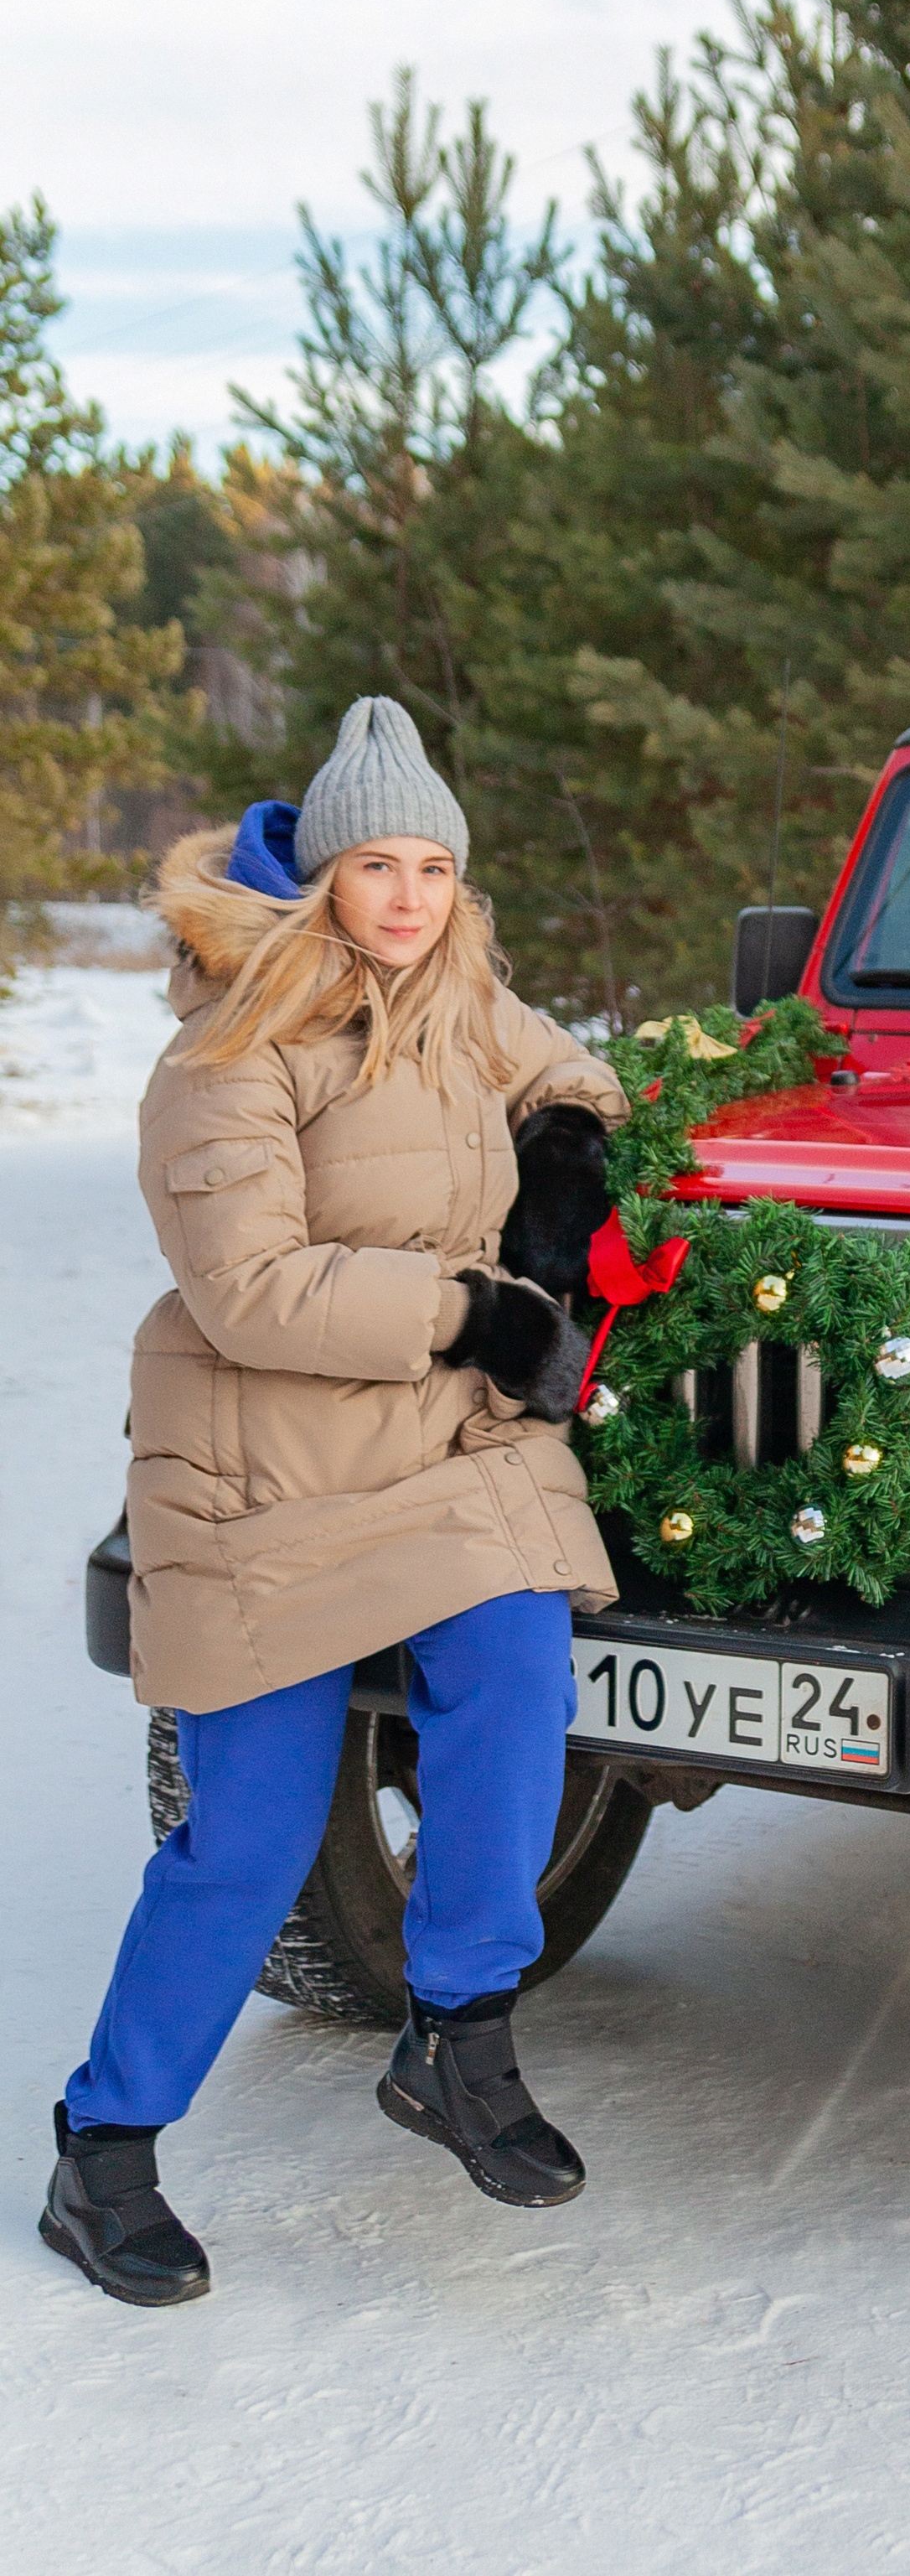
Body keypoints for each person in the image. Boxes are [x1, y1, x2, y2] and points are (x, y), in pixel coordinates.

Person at [42, 699, 627, 2308]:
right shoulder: (225, 1048)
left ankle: (461, 2035)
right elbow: (251, 1290)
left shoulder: (457, 994)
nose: (411, 897)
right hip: (261, 1475)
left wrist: (566, 1151)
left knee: (514, 1676)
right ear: (316, 873)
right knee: (244, 1845)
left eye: (435, 866)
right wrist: (473, 1313)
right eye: (380, 863)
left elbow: (555, 1060)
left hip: (440, 1452)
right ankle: (103, 2154)